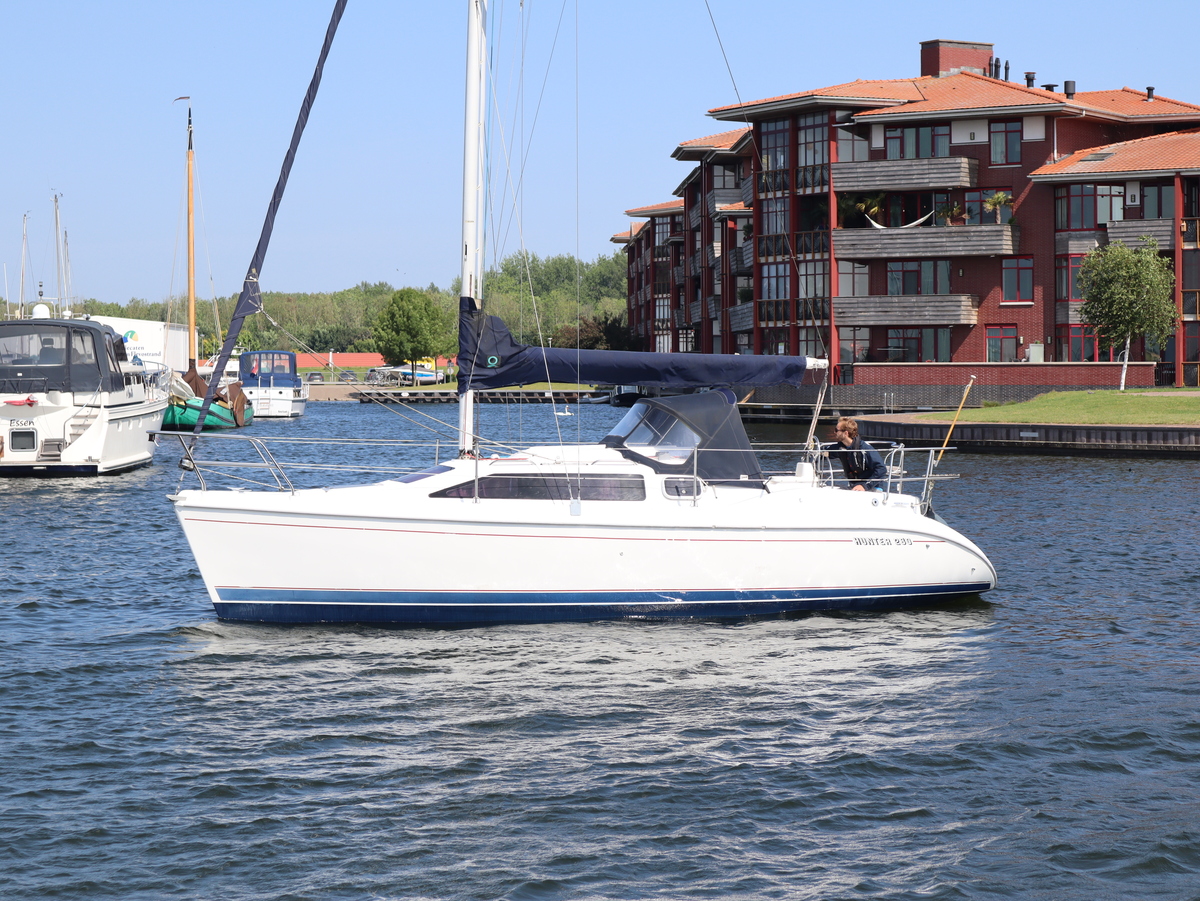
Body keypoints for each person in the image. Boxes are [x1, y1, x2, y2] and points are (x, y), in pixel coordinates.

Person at [825, 416, 888, 491]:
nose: (834, 432)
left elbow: (881, 469)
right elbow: (823, 452)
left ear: (845, 433)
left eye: (836, 430)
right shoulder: (841, 447)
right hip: (855, 486)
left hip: (872, 487)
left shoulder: (865, 448)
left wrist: (865, 486)